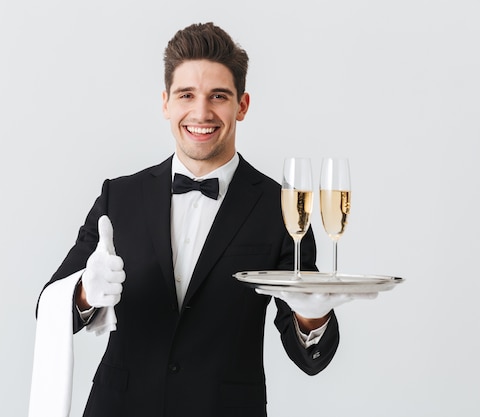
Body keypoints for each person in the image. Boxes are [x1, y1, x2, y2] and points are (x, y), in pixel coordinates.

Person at [37, 22, 373, 417]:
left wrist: (312, 313)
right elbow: (47, 309)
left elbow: (311, 360)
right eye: (186, 95)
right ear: (165, 103)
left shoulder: (279, 207)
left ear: (242, 105)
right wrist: (83, 293)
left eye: (218, 96)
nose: (201, 112)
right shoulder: (120, 195)